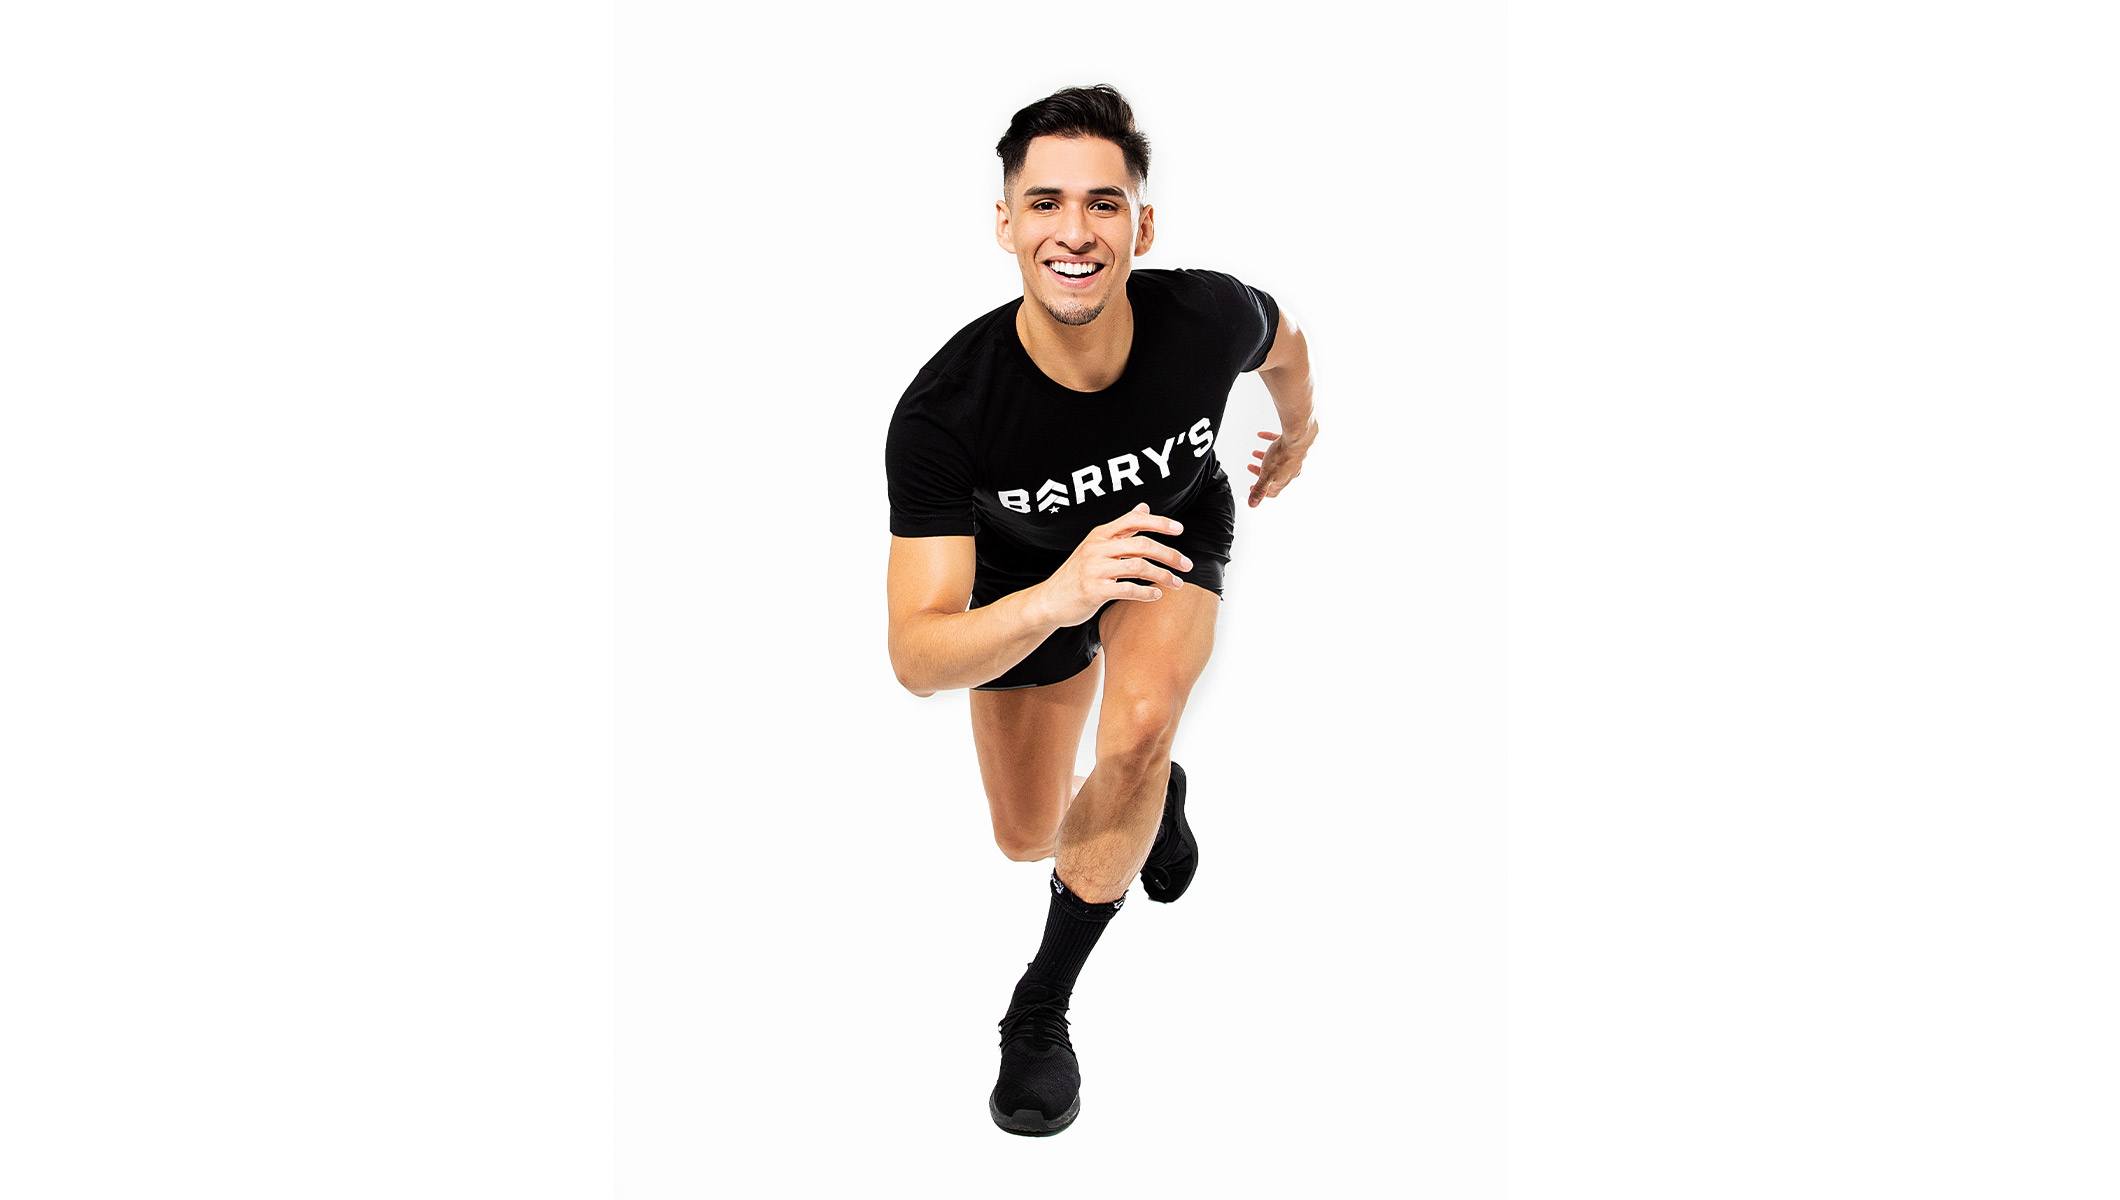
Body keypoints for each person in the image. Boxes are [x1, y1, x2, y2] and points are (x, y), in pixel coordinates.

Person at [883, 84, 1320, 1136]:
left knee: (1134, 732)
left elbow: (1286, 344)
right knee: (1028, 835)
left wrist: (1297, 433)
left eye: (1102, 203)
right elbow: (917, 657)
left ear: (1142, 226)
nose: (1073, 231)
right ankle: (1153, 799)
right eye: (1045, 203)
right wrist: (1057, 596)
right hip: (1025, 588)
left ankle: (1040, 1005)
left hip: (1166, 536)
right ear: (1006, 224)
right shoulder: (945, 412)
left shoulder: (1207, 315)